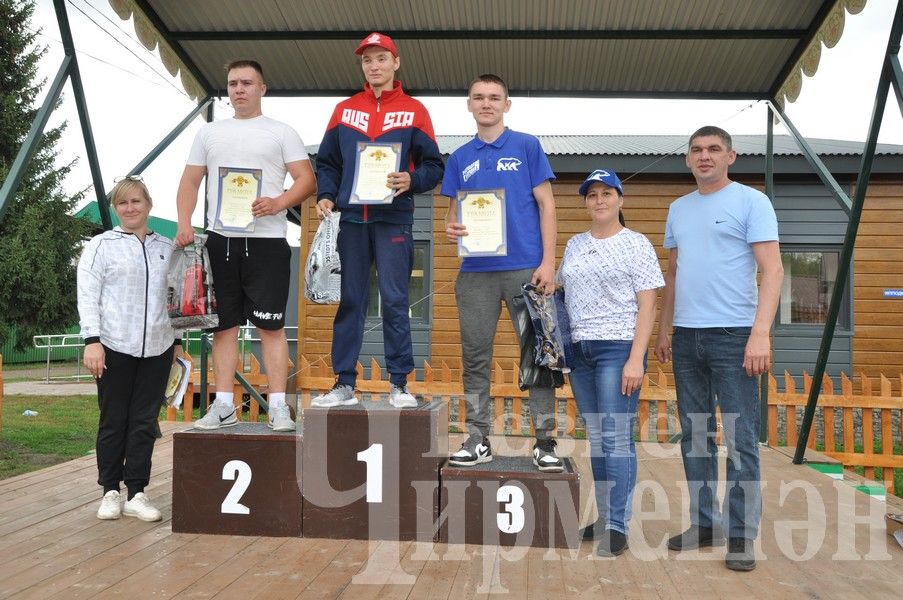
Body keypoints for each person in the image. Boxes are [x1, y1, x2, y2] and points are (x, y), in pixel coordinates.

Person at [655, 126, 783, 571]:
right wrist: (663, 329)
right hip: (687, 337)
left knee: (742, 441)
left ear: (731, 156)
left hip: (736, 336)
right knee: (695, 436)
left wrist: (760, 333)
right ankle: (705, 523)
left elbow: (774, 270)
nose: (704, 156)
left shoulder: (752, 202)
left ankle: (742, 536)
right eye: (696, 150)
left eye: (713, 149)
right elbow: (672, 274)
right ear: (687, 159)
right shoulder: (678, 208)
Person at [176, 60, 316, 431]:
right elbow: (189, 182)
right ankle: (223, 405)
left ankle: (279, 407)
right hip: (220, 240)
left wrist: (279, 203)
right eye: (233, 84)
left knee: (271, 328)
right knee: (223, 328)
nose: (239, 89)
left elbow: (306, 180)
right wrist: (185, 222)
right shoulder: (209, 133)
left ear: (262, 89)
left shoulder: (281, 132)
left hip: (268, 241)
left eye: (247, 83)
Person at [311, 32, 444, 409]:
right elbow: (328, 163)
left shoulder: (414, 111)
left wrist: (411, 180)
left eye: (381, 58)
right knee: (350, 300)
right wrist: (325, 194)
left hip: (393, 219)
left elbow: (435, 166)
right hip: (351, 219)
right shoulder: (344, 110)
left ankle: (399, 383)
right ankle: (344, 384)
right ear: (363, 66)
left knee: (396, 300)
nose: (375, 66)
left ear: (395, 62)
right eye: (368, 60)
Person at [443, 74, 561, 471]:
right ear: (469, 105)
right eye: (479, 97)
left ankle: (544, 441)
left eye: (494, 97)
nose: (487, 103)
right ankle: (478, 438)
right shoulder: (460, 157)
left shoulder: (527, 145)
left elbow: (547, 204)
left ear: (506, 104)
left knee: (538, 356)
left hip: (526, 267)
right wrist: (450, 225)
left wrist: (548, 262)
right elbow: (451, 211)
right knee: (475, 357)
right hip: (476, 272)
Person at [559, 169, 663, 556]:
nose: (599, 200)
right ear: (585, 202)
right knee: (598, 438)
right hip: (580, 351)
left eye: (607, 193)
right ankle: (605, 516)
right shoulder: (574, 244)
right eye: (592, 195)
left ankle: (618, 525)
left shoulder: (637, 244)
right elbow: (561, 291)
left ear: (621, 199)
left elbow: (648, 304)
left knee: (617, 437)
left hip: (618, 348)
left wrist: (637, 358)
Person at [78, 177, 182, 522]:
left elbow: (176, 298)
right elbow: (88, 294)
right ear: (115, 208)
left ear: (148, 204)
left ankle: (137, 491)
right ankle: (109, 490)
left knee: (143, 422)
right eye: (122, 203)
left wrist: (178, 343)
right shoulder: (101, 246)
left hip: (159, 347)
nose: (130, 208)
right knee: (113, 420)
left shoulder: (166, 247)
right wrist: (92, 340)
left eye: (136, 201)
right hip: (113, 345)